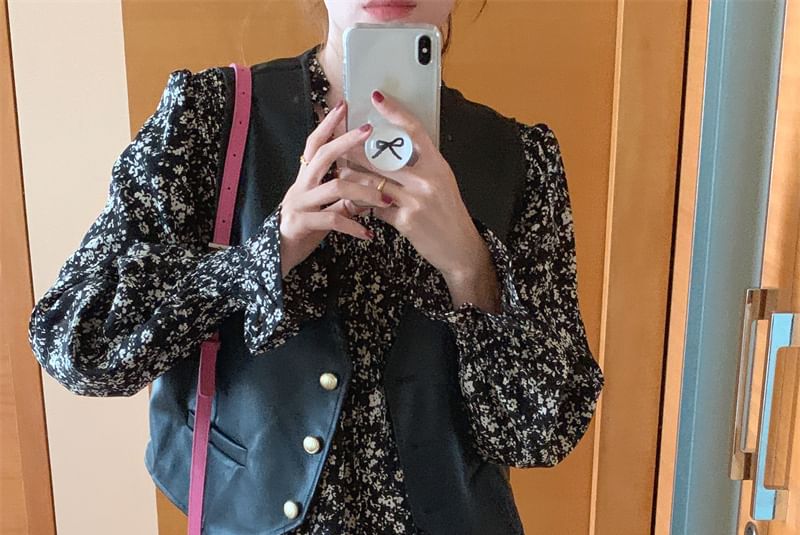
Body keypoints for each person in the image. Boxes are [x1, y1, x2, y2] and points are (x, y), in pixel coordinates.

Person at [28, 1, 605, 533]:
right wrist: (266, 254)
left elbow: (541, 436)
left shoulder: (518, 157)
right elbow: (79, 344)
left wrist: (470, 267)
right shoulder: (211, 118)